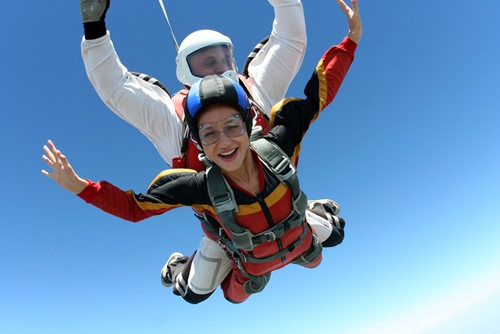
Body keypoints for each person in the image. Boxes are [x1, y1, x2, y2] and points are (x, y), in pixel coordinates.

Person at [42, 0, 361, 302]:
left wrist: (351, 40)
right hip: (225, 232)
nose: (218, 68)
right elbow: (115, 87)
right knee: (202, 292)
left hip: (278, 201)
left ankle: (309, 212)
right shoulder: (172, 120)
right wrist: (94, 27)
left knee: (332, 236)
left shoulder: (252, 91)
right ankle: (180, 266)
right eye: (206, 62)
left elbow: (295, 48)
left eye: (224, 59)